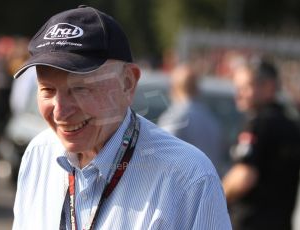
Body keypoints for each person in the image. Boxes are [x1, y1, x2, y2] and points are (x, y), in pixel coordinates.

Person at [12, 6, 231, 230]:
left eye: (80, 89)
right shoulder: (38, 153)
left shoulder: (188, 177)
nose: (59, 111)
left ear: (127, 83)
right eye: (48, 90)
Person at [222, 57, 300, 230]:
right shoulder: (290, 122)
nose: (238, 94)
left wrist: (214, 196)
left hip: (251, 222)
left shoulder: (260, 122)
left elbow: (244, 176)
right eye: (237, 87)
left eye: (245, 87)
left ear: (268, 87)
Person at [158, 63, 224, 176]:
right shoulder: (211, 119)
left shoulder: (174, 117)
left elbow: (161, 157)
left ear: (173, 88)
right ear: (197, 89)